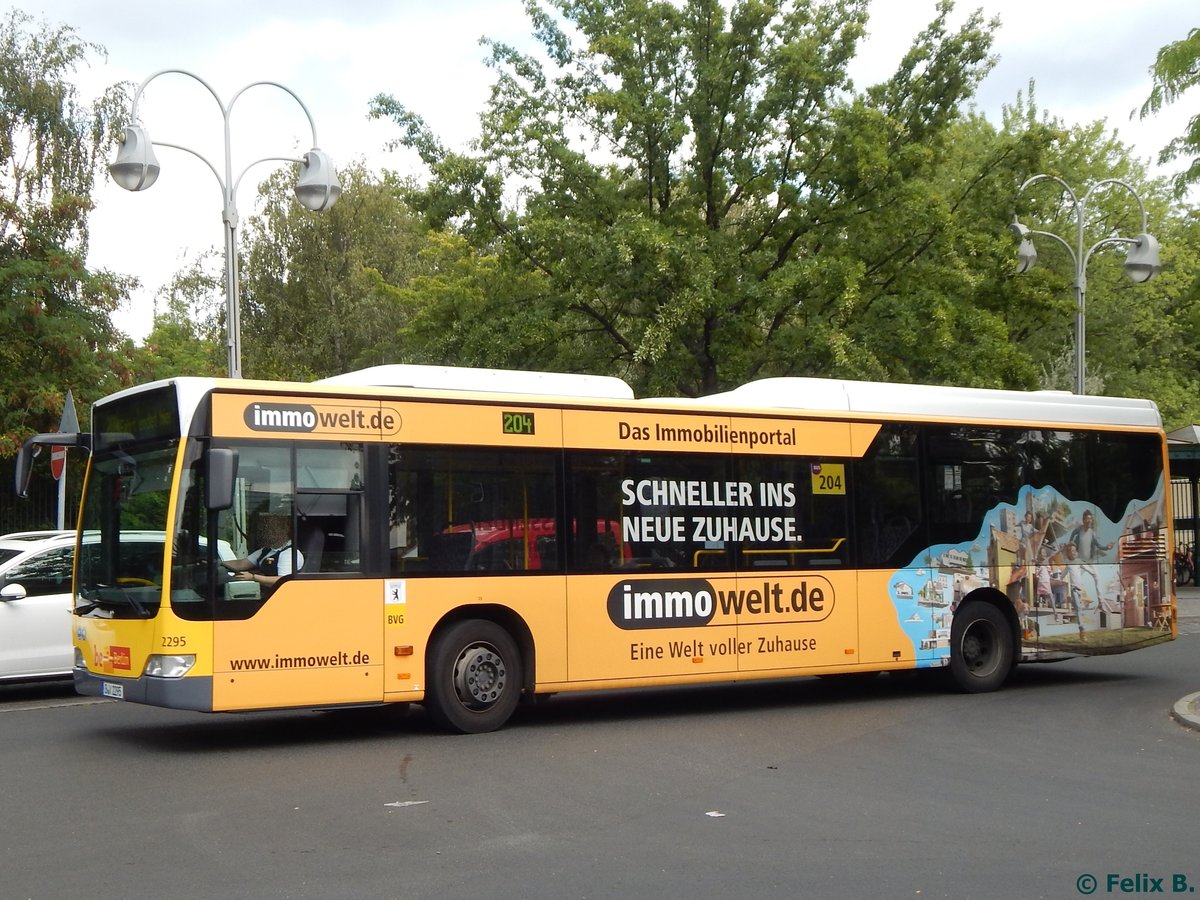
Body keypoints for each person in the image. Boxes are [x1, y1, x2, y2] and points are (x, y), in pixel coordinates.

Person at [223, 515, 304, 590]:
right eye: (267, 530)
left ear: (284, 532)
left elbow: (283, 581)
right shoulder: (266, 550)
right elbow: (241, 564)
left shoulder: (289, 553)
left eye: (273, 530)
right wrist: (219, 563)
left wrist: (253, 577)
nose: (268, 533)